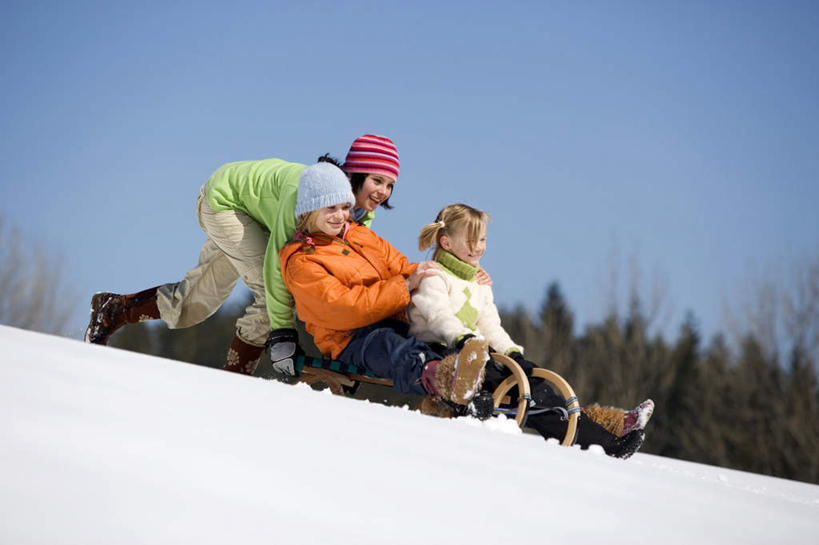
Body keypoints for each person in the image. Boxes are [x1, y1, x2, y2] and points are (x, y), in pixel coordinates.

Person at [84, 135, 403, 375]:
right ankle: (236, 381)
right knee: (273, 292)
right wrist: (283, 334)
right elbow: (279, 268)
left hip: (252, 215)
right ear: (355, 175)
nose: (383, 192)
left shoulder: (357, 214)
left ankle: (113, 310)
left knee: (194, 304)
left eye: (390, 185)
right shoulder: (307, 192)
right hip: (226, 202)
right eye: (377, 180)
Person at [407, 203, 655, 458]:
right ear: (446, 243)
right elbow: (439, 316)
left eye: (482, 239)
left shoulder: (478, 283)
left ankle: (605, 431)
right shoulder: (433, 276)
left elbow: (490, 326)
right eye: (470, 240)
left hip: (477, 352)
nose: (479, 246)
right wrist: (463, 338)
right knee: (527, 394)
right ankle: (602, 443)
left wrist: (513, 353)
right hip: (441, 352)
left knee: (534, 383)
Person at [279, 163, 490, 406]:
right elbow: (342, 307)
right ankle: (445, 380)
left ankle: (479, 382)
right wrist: (403, 286)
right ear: (309, 210)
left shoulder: (359, 235)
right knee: (393, 348)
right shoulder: (302, 260)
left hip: (391, 320)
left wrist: (454, 273)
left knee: (432, 342)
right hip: (350, 338)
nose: (340, 215)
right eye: (331, 208)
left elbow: (400, 266)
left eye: (345, 207)